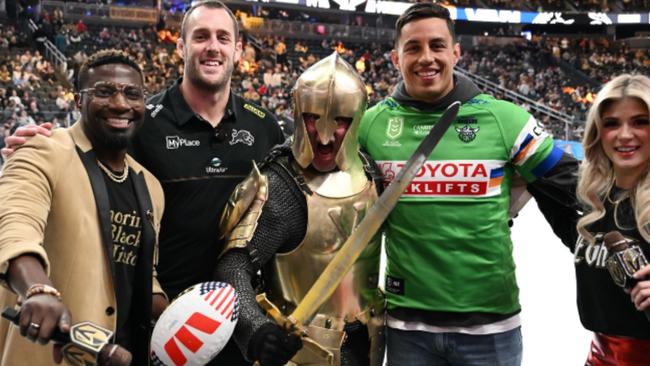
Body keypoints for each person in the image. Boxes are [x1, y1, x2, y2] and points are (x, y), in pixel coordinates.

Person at [2, 2, 284, 364]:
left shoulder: (263, 127)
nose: (212, 46)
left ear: (238, 49)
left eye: (222, 37)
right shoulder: (136, 125)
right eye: (200, 36)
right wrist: (38, 288)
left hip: (222, 323)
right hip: (123, 333)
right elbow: (18, 223)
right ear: (180, 47)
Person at [358, 3, 578, 365]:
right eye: (413, 47)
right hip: (406, 328)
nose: (426, 57)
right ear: (396, 58)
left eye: (437, 45)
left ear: (456, 52)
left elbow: (572, 186)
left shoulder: (505, 119)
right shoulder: (370, 126)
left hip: (491, 328)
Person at [216, 53, 384, 366]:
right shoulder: (277, 185)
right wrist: (256, 331)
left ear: (357, 119)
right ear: (296, 113)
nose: (323, 135)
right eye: (312, 118)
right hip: (298, 351)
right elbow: (233, 267)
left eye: (341, 121)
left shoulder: (370, 171)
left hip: (369, 345)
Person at [0, 49, 167, 365]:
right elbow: (15, 226)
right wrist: (38, 290)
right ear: (78, 101)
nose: (120, 104)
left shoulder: (151, 186)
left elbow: (137, 270)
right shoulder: (41, 151)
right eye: (104, 92)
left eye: (132, 94)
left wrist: (182, 316)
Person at [539, 74, 650, 365]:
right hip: (599, 356)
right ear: (598, 132)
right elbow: (573, 235)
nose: (625, 134)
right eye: (612, 123)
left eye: (640, 122)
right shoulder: (597, 201)